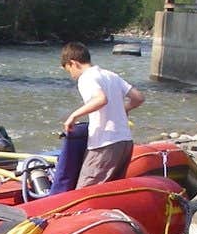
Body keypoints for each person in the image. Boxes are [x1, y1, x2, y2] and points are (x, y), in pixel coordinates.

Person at [59, 41, 144, 188]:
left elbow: (101, 99)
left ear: (73, 63)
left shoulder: (86, 78)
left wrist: (74, 116)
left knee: (85, 191)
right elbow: (138, 98)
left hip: (105, 143)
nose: (72, 76)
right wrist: (122, 109)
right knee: (110, 189)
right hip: (125, 141)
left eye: (69, 70)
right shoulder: (110, 75)